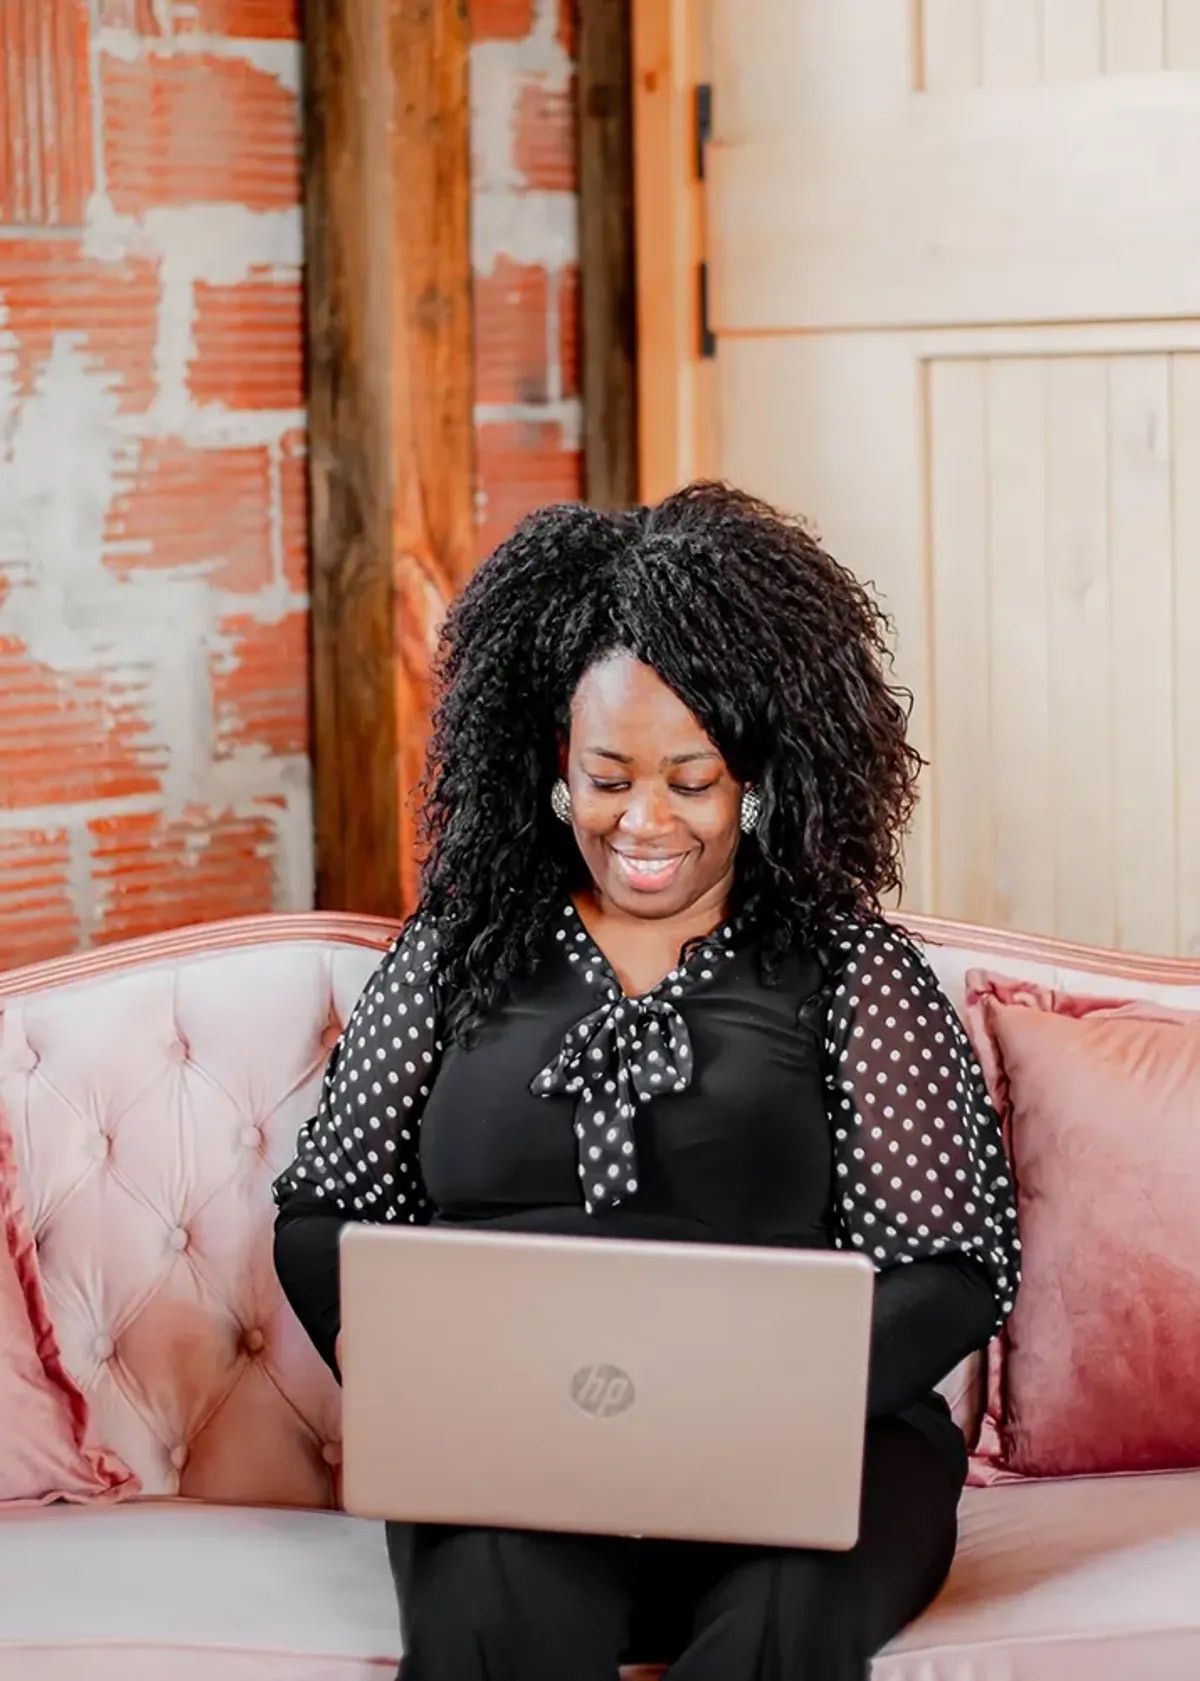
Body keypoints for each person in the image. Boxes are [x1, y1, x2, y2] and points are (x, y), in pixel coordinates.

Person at [273, 482, 1019, 1681]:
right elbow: (324, 1213)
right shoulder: (456, 949)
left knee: (788, 1618)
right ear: (554, 769)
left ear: (757, 779)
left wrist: (757, 1404)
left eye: (692, 777)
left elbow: (953, 1264)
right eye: (610, 776)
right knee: (494, 1607)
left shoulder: (844, 966)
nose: (645, 820)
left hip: (812, 1451)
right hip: (508, 1450)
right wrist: (418, 1379)